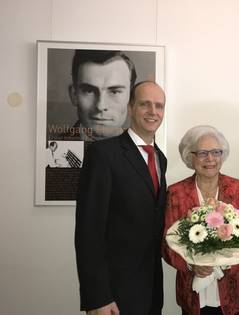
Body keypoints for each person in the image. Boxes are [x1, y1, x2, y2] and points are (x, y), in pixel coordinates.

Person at [75, 81, 166, 315]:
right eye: (145, 104)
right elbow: (88, 232)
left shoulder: (159, 159)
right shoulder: (104, 154)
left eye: (159, 106)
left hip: (151, 289)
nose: (153, 112)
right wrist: (97, 297)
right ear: (131, 107)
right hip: (113, 293)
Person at [162, 125, 239, 315]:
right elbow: (166, 245)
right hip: (193, 296)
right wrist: (192, 264)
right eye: (202, 153)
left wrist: (225, 262)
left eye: (216, 152)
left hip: (235, 294)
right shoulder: (176, 193)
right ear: (190, 157)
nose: (210, 159)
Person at [66, 50, 137, 141]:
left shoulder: (140, 151)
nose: (100, 106)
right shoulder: (50, 150)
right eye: (89, 91)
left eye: (114, 92)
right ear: (74, 95)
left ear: (131, 97)